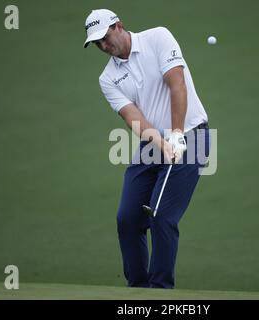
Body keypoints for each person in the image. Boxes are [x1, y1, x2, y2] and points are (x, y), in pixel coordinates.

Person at [83, 9, 210, 288]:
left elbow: (176, 84)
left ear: (119, 26)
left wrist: (176, 135)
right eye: (97, 44)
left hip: (192, 137)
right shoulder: (107, 78)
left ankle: (160, 290)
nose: (104, 46)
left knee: (161, 215)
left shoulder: (158, 37)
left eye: (105, 38)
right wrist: (162, 143)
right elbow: (133, 117)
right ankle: (138, 290)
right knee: (127, 218)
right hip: (152, 143)